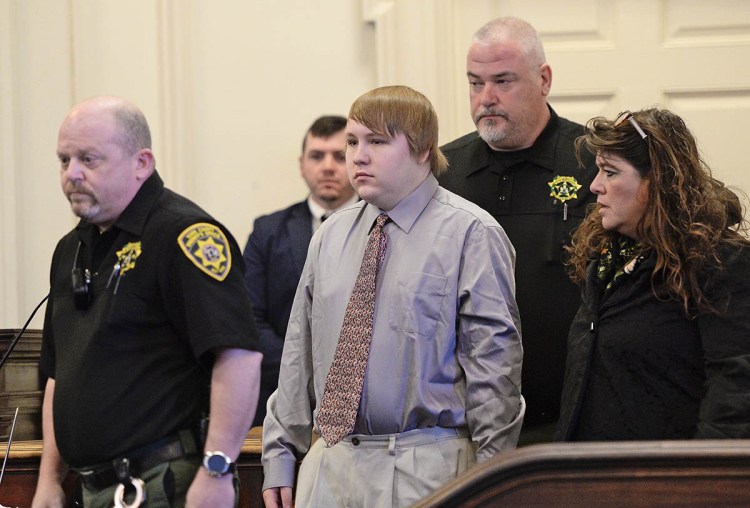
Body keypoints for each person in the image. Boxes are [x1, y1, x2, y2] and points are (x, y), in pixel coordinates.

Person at [261, 85, 524, 508]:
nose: (357, 156)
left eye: (377, 142)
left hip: (428, 467)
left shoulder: (471, 234)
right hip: (329, 465)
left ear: (422, 150)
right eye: (352, 142)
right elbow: (298, 354)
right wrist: (279, 453)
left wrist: (497, 483)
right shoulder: (331, 233)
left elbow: (494, 372)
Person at [32, 96, 262, 508]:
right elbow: (57, 373)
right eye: (64, 160)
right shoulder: (71, 249)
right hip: (90, 488)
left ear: (142, 162)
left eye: (89, 159)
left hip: (163, 483)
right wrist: (49, 480)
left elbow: (239, 356)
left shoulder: (184, 235)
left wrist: (217, 471)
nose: (73, 174)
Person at [438, 17, 598, 443]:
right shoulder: (439, 172)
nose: (485, 99)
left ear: (543, 79)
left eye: (502, 81)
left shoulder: (596, 164)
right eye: (475, 83)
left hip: (572, 420)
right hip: (463, 425)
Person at [556, 108, 750, 441]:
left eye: (611, 173)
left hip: (667, 480)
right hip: (589, 473)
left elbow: (735, 389)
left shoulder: (720, 261)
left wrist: (704, 478)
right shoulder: (605, 259)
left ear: (658, 181)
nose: (595, 186)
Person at [242, 115, 357, 427]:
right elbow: (250, 319)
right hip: (282, 398)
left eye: (339, 155)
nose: (328, 166)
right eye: (317, 156)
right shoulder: (267, 232)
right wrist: (305, 371)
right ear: (302, 164)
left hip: (365, 400)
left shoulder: (383, 226)